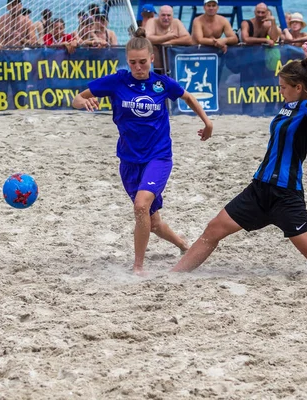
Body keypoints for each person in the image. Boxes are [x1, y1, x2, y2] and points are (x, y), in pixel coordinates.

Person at [171, 40, 307, 274]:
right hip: (259, 189)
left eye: (284, 86)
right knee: (213, 230)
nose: (280, 90)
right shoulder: (286, 108)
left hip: (285, 195)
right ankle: (174, 276)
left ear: (298, 87)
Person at [71, 28, 213, 274]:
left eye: (143, 62)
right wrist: (83, 102)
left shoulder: (161, 84)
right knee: (153, 221)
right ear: (127, 61)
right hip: (129, 160)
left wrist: (207, 122)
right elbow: (76, 98)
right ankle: (182, 244)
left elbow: (188, 97)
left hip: (158, 156)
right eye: (133, 63)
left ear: (152, 59)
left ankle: (138, 267)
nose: (138, 67)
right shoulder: (117, 81)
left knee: (140, 206)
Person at [145, 5, 192, 70]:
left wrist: (170, 42)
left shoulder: (176, 22)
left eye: (168, 15)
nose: (166, 18)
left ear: (172, 16)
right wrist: (167, 37)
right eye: (163, 15)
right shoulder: (152, 22)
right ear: (158, 16)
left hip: (173, 67)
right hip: (156, 67)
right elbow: (147, 38)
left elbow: (189, 39)